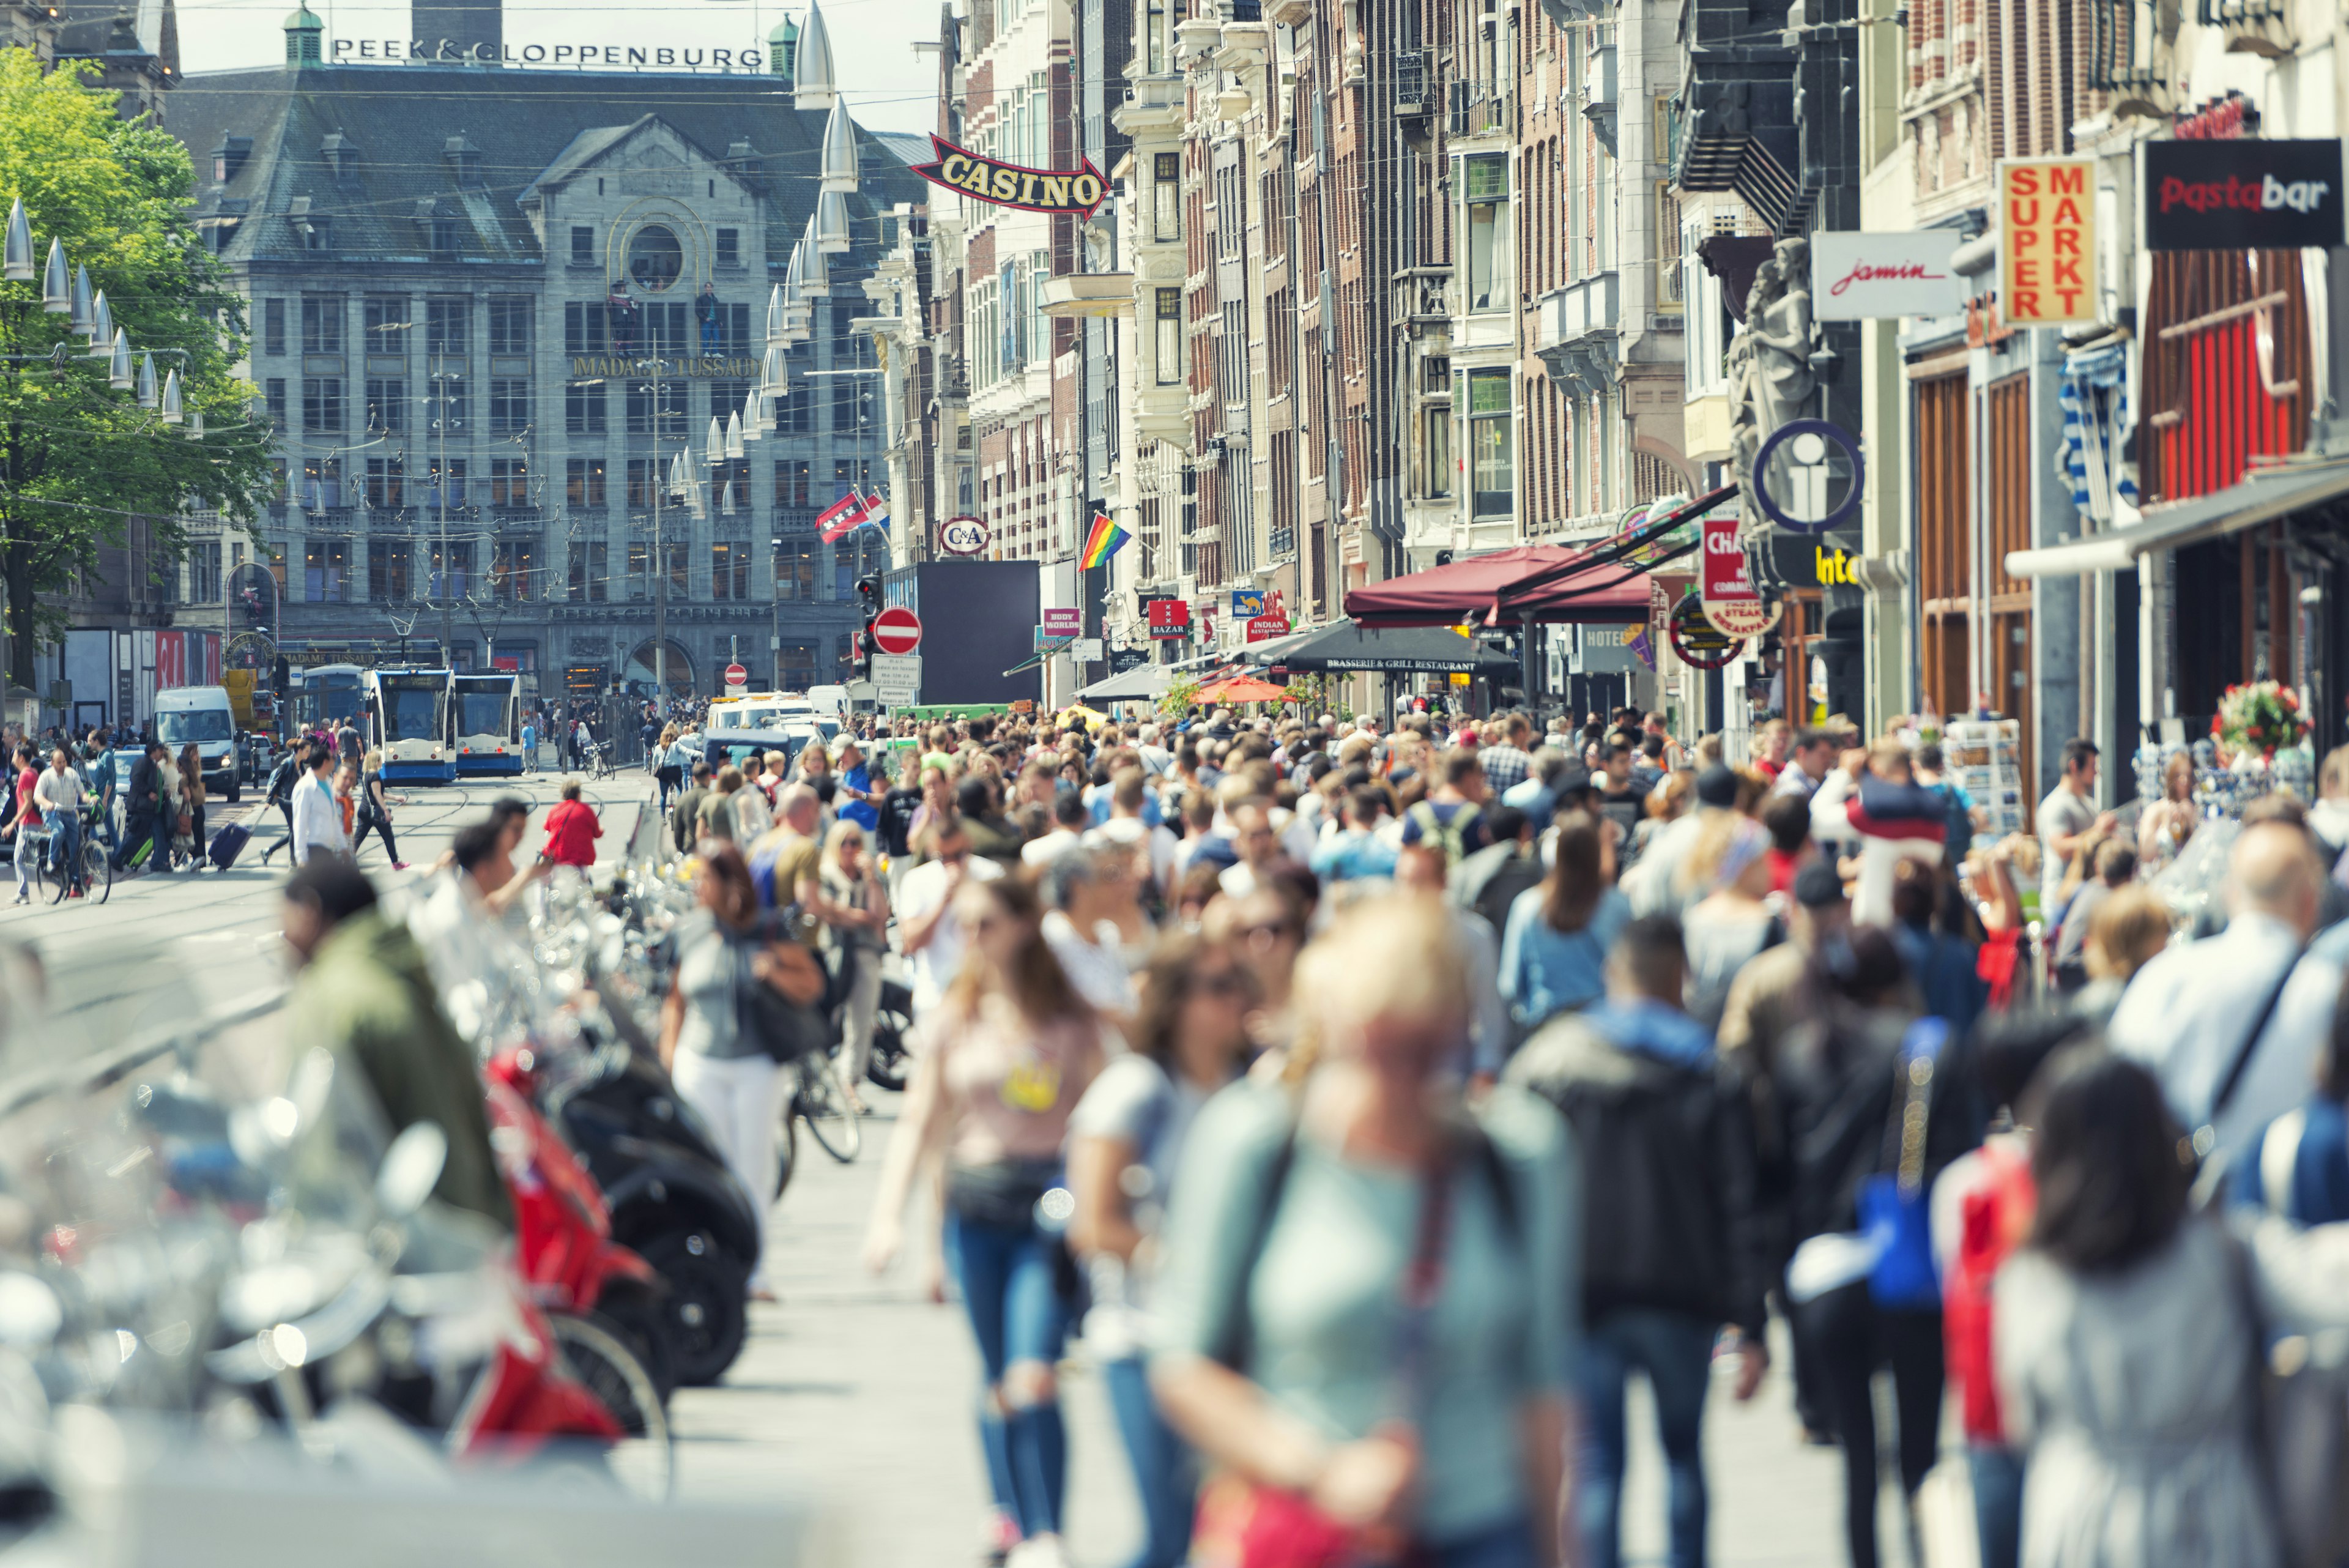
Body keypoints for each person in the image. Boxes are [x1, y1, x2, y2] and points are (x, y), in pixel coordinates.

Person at [1149, 897, 1573, 1568]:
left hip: (1483, 1530)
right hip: (1305, 1530)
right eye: (1381, 1044)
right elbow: (1183, 1366)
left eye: (1427, 1048)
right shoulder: (1255, 1145)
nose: (1403, 1076)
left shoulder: (1517, 1156)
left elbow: (1544, 1387)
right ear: (1336, 1023)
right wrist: (1319, 1470)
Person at [1993, 1048, 2349, 1568]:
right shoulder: (2225, 1253)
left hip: (2078, 1513)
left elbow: (2021, 1420)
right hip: (2213, 1512)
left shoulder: (2028, 1276)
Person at [1506, 913, 1768, 1568]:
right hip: (1683, 1294)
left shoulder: (1557, 1064)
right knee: (1683, 1458)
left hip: (1586, 1291)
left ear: (1613, 972)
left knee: (1597, 1467)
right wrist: (1751, 1318)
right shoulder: (1707, 1069)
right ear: (1679, 975)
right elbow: (1741, 1198)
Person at [863, 875, 1107, 1568]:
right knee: (996, 1374)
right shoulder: (954, 1016)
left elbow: (1105, 1114)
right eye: (963, 927)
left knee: (1035, 1372)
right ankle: (1007, 1512)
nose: (969, 939)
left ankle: (1048, 1532)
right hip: (973, 1210)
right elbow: (921, 1122)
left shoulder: (1066, 1015)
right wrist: (892, 1220)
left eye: (984, 924)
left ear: (1025, 926)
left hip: (1045, 1212)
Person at [1067, 934, 1255, 1568]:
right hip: (1141, 1337)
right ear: (1177, 1002)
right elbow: (1093, 1225)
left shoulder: (1247, 1087)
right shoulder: (1137, 1089)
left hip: (1223, 1343)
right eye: (1219, 986)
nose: (1238, 1000)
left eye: (1239, 984)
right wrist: (1187, 1256)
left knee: (1212, 1534)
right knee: (1171, 1534)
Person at [1777, 926, 1956, 1568]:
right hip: (1906, 1271)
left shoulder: (1798, 1054)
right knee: (1919, 1460)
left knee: (1857, 1460)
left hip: (1824, 1276)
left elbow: (1779, 1177)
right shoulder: (1920, 1052)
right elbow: (1957, 1158)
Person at [280, 856, 511, 1229]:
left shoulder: (331, 997)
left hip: (404, 1247)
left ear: (310, 912)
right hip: (470, 1224)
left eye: (285, 923)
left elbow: (318, 1158)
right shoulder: (405, 975)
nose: (285, 940)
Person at [2109, 818, 2343, 1161]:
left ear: (2229, 893)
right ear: (2310, 902)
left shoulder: (2161, 981)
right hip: (2290, 1208)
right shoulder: (2331, 994)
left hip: (2180, 1204)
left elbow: (2115, 1104)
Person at [658, 843, 799, 1301]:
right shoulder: (690, 931)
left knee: (752, 1166)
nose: (698, 886)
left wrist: (774, 970)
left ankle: (755, 1269)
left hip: (757, 1063)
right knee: (707, 1167)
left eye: (706, 878)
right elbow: (675, 1002)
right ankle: (712, 1267)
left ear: (729, 882)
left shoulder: (767, 927)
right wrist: (668, 1059)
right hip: (699, 1062)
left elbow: (811, 983)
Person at [1500, 808, 1631, 1034]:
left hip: (1546, 1028)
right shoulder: (1618, 905)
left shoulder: (1527, 907)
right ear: (1596, 853)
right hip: (1606, 1029)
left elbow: (1510, 985)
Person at [1678, 814, 1782, 1033]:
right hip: (1750, 1039)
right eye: (1763, 860)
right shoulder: (1769, 922)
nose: (1769, 869)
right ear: (1745, 867)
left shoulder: (1693, 918)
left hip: (1698, 1037)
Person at [896, 818, 1008, 1019]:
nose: (951, 864)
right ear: (931, 851)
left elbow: (1006, 937)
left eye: (958, 855)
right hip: (935, 998)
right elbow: (911, 943)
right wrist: (944, 901)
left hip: (985, 998)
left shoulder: (991, 874)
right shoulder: (916, 880)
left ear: (969, 845)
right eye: (943, 857)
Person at [818, 819, 889, 1115]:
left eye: (855, 842)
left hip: (864, 953)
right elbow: (830, 912)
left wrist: (872, 878)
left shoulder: (867, 876)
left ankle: (850, 1086)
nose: (849, 849)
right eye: (844, 843)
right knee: (823, 1025)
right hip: (831, 953)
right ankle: (820, 1089)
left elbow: (881, 913)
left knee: (861, 1024)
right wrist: (862, 917)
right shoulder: (826, 875)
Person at [1038, 844, 1140, 1027]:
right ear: (1078, 887)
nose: (1124, 882)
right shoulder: (1050, 943)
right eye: (1111, 875)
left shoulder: (1107, 933)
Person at [2036, 738, 2115, 922]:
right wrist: (2099, 831)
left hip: (2085, 898)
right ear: (2074, 766)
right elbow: (2061, 848)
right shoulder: (2056, 805)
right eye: (2092, 766)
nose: (2096, 772)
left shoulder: (2087, 803)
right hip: (2063, 901)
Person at [2051, 838, 2135, 990]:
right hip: (2081, 975)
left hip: (2065, 971)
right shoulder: (2111, 900)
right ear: (2132, 874)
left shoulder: (2088, 889)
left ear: (2097, 867)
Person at [2135, 750, 2199, 871]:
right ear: (2171, 777)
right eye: (2179, 775)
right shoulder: (2156, 809)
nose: (2184, 781)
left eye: (2189, 775)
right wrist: (2166, 827)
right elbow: (2145, 854)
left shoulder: (2197, 810)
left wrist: (2194, 823)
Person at [113, 739, 171, 874]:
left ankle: (158, 862)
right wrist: (149, 793)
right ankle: (118, 857)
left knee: (158, 833)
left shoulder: (152, 764)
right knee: (136, 835)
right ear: (154, 751)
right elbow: (135, 780)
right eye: (160, 750)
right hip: (142, 807)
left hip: (151, 808)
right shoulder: (143, 762)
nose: (162, 753)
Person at [288, 742, 346, 866]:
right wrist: (301, 858)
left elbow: (334, 819)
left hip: (328, 849)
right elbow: (300, 823)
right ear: (325, 763)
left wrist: (343, 847)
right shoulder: (305, 787)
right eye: (333, 758)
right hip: (312, 850)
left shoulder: (328, 783)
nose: (335, 761)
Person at [258, 743, 305, 866]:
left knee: (294, 831)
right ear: (300, 751)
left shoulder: (301, 765)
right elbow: (276, 782)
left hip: (295, 800)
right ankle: (293, 861)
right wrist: (268, 801)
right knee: (295, 830)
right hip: (285, 800)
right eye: (307, 751)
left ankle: (268, 851)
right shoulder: (287, 763)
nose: (308, 753)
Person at [541, 778, 601, 869]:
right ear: (578, 794)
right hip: (581, 858)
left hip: (558, 856)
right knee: (583, 880)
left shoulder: (555, 809)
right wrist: (602, 829)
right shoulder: (586, 810)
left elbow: (547, 827)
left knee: (551, 880)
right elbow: (597, 834)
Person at [6, 744, 39, 904]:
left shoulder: (25, 776)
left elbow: (28, 803)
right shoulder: (33, 772)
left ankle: (23, 893)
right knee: (27, 858)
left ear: (21, 758)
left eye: (14, 756)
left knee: (19, 858)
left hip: (28, 821)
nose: (12, 760)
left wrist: (13, 822)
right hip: (34, 821)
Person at [671, 761, 714, 858]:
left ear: (693, 779)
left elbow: (677, 829)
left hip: (689, 849)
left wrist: (681, 849)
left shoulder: (682, 799)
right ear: (709, 777)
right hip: (710, 851)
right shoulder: (713, 797)